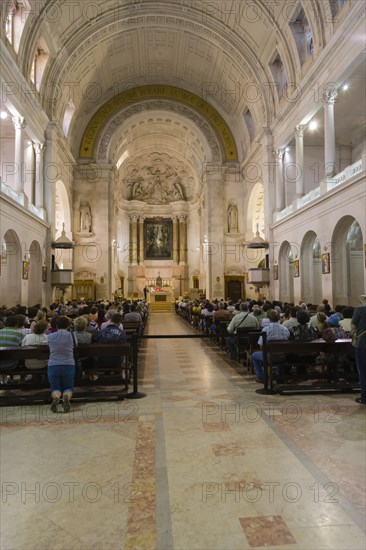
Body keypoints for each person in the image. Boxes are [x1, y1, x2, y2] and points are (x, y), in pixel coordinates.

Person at [47, 316, 76, 413]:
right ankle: (66, 397)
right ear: (68, 325)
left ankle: (56, 398)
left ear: (56, 325)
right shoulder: (72, 335)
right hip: (69, 364)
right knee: (68, 387)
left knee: (55, 387)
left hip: (53, 365)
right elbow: (76, 345)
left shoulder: (50, 336)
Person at [251, 310, 290, 382]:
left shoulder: (265, 329)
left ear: (269, 319)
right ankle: (279, 375)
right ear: (279, 318)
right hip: (283, 356)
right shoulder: (285, 329)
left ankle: (260, 376)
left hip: (269, 356)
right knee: (280, 352)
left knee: (254, 355)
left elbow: (261, 345)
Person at [351, 295, 366, 405]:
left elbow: (353, 325)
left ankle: (364, 397)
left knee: (363, 371)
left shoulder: (360, 309)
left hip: (363, 343)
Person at [0, 316, 23, 383]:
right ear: (16, 324)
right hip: (12, 364)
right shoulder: (20, 334)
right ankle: (21, 380)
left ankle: (4, 379)